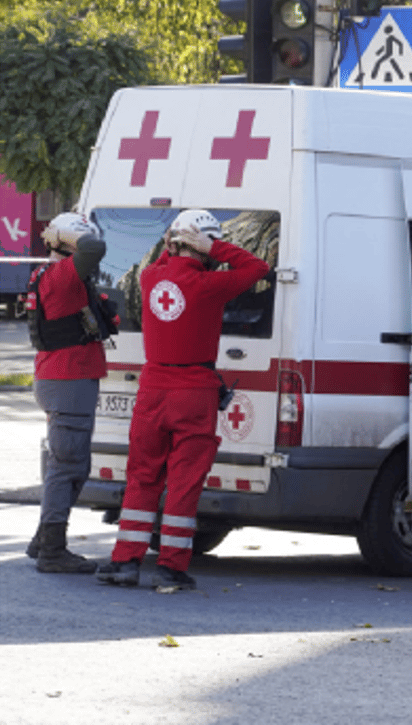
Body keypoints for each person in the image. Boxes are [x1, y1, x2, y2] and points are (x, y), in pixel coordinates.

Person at [95, 209, 269, 590]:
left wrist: (177, 239)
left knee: (142, 477)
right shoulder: (210, 284)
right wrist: (215, 247)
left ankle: (124, 562)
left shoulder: (150, 276)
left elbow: (163, 258)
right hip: (194, 390)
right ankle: (171, 567)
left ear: (171, 243)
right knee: (184, 482)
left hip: (153, 388)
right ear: (202, 245)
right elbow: (257, 268)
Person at [25, 212, 113, 574]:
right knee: (68, 466)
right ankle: (52, 550)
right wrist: (65, 233)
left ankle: (43, 540)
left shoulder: (52, 274)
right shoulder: (62, 275)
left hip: (63, 379)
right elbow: (95, 248)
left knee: (72, 464)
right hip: (68, 380)